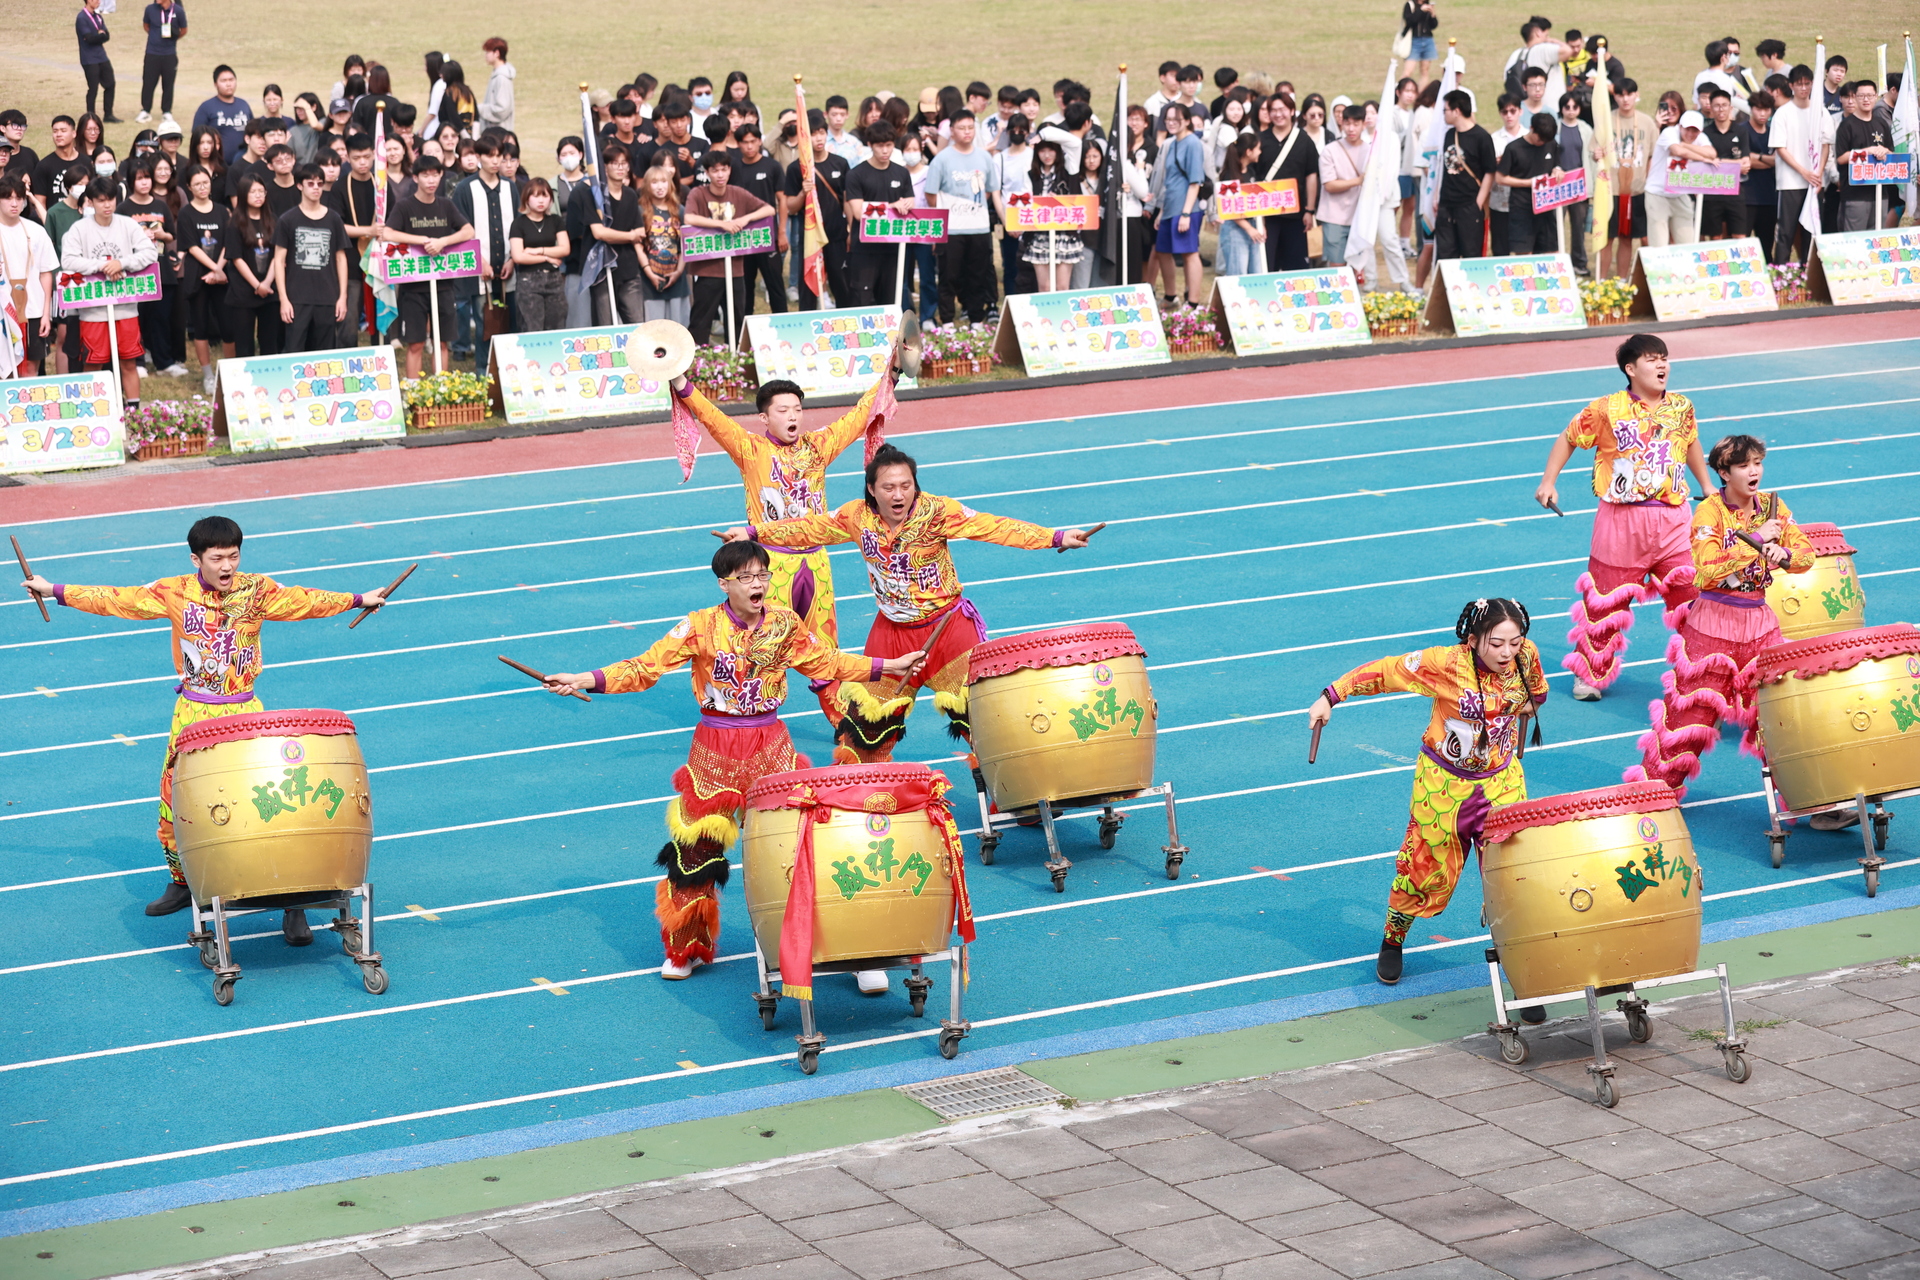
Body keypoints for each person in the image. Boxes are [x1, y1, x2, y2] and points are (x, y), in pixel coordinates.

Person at [539, 541, 923, 980]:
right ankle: (686, 946)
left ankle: (851, 952)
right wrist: (585, 678)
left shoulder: (785, 624)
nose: (758, 584)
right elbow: (645, 667)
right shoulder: (699, 626)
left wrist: (887, 666)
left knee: (805, 846)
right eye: (747, 577)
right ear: (725, 584)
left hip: (771, 745)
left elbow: (829, 661)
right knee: (695, 851)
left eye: (763, 575)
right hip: (714, 749)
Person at [20, 516, 392, 937]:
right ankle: (184, 883)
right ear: (197, 558)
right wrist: (54, 590)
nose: (227, 566)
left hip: (244, 712)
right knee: (174, 804)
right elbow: (119, 599)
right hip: (194, 714)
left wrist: (359, 599)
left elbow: (306, 600)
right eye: (218, 558)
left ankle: (293, 901)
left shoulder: (257, 590)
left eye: (234, 556)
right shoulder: (174, 591)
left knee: (268, 808)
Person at [721, 444, 1095, 768]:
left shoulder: (937, 511)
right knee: (866, 729)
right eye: (889, 487)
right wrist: (753, 533)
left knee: (983, 720)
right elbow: (808, 528)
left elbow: (993, 526)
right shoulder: (856, 517)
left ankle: (1018, 797)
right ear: (872, 489)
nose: (898, 495)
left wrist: (1056, 536)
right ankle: (866, 796)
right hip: (891, 634)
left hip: (948, 630)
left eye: (906, 486)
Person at [1307, 598, 1550, 987]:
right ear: (1472, 640)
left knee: (1513, 878)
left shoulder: (1526, 656)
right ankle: (1393, 939)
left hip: (1502, 785)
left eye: (1515, 643)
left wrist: (1526, 707)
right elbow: (1388, 671)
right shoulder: (1444, 663)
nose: (1507, 653)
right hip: (1443, 788)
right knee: (1420, 872)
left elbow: (1536, 691)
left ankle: (1524, 975)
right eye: (1496, 643)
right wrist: (1331, 696)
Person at [669, 357, 904, 712]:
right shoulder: (750, 449)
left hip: (816, 565)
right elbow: (712, 418)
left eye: (797, 409)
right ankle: (751, 720)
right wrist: (679, 380)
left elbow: (860, 414)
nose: (793, 416)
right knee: (764, 646)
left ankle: (842, 722)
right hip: (772, 567)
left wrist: (893, 373)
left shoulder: (818, 447)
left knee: (825, 651)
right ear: (764, 418)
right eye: (783, 410)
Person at [1624, 435, 1812, 797]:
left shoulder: (1774, 506)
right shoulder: (1709, 511)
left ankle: (1814, 799)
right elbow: (1706, 570)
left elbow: (1805, 553)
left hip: (1760, 624)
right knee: (1686, 721)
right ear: (1724, 473)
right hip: (1712, 626)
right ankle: (1650, 797)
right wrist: (1757, 540)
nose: (1753, 471)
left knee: (1783, 717)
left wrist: (1782, 554)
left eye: (1757, 462)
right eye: (1743, 465)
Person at [1539, 333, 1714, 702]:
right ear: (1630, 369)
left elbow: (1691, 442)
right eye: (1652, 359)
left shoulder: (1682, 407)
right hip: (1621, 521)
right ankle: (1588, 674)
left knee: (1694, 600)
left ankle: (1701, 673)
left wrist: (1707, 485)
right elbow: (1569, 437)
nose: (1662, 365)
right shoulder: (1606, 408)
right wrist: (1548, 481)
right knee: (1605, 602)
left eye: (1664, 358)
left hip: (1673, 520)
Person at [59, 176, 155, 407]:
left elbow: (150, 253)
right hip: (93, 310)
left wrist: (122, 263)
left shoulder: (127, 224)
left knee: (129, 362)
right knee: (93, 362)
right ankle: (94, 410)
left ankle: (133, 411)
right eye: (101, 200)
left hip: (126, 307)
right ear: (91, 202)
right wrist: (101, 266)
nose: (107, 205)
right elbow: (68, 260)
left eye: (110, 199)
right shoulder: (79, 229)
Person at [379, 154, 471, 377]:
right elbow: (388, 233)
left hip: (444, 284)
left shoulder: (446, 205)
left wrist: (443, 242)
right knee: (416, 343)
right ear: (416, 178)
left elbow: (468, 230)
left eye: (435, 175)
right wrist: (422, 241)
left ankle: (442, 390)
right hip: (413, 286)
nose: (431, 180)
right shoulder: (405, 206)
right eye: (425, 175)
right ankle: (414, 393)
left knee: (441, 342)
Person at [684, 151, 768, 345]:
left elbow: (768, 209)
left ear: (729, 170)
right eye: (715, 171)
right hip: (708, 269)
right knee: (701, 319)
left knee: (737, 316)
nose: (720, 175)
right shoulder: (698, 193)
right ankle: (698, 362)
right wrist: (722, 224)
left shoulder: (738, 193)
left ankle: (737, 359)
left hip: (736, 269)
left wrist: (745, 218)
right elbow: (689, 218)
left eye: (724, 170)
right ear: (707, 173)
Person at [922, 109, 998, 323]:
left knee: (978, 275)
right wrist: (950, 210)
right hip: (952, 228)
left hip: (979, 227)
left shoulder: (984, 157)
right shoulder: (942, 159)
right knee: (949, 276)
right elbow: (930, 194)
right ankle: (947, 320)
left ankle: (976, 319)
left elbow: (990, 189)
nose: (967, 132)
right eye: (961, 128)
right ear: (952, 131)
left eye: (970, 128)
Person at [271, 163, 348, 353]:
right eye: (311, 184)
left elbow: (341, 258)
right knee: (294, 349)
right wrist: (283, 299)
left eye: (320, 184)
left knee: (325, 353)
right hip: (297, 297)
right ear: (300, 186)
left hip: (327, 296)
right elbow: (279, 261)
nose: (316, 188)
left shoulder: (334, 219)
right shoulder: (287, 219)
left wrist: (342, 297)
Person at [119, 158, 184, 374]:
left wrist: (161, 234)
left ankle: (164, 362)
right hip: (135, 272)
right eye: (139, 179)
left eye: (147, 177)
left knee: (161, 318)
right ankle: (138, 361)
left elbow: (171, 235)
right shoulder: (124, 208)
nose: (145, 183)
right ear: (131, 181)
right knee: (136, 318)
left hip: (161, 270)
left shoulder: (160, 205)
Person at [842, 121, 912, 305]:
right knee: (862, 299)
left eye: (889, 145)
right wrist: (892, 207)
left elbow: (910, 200)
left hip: (892, 247)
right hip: (865, 248)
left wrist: (905, 204)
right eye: (880, 146)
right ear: (870, 145)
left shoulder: (901, 173)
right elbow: (858, 211)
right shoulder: (856, 175)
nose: (885, 151)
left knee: (890, 300)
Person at [1768, 66, 1829, 264]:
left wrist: (1817, 173)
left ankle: (1809, 273)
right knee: (1786, 230)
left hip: (1814, 182)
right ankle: (1782, 277)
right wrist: (1804, 172)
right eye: (1799, 84)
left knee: (1810, 231)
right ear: (1791, 85)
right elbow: (1780, 148)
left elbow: (1826, 145)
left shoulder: (1820, 111)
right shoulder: (1783, 113)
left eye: (1807, 84)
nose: (1803, 88)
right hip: (1790, 183)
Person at [0, 177, 58, 376]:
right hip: (3, 313)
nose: (14, 203)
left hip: (33, 310)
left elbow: (46, 272)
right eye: (8, 198)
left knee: (31, 367)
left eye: (19, 198)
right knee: (4, 368)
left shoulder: (36, 231)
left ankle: (26, 405)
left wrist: (46, 313)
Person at [176, 164, 227, 390]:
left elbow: (228, 241)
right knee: (201, 326)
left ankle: (230, 371)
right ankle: (207, 375)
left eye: (205, 182)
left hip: (223, 275)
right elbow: (191, 246)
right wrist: (214, 269)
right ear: (189, 187)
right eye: (197, 184)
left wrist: (219, 269)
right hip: (198, 277)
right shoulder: (186, 213)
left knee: (228, 328)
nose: (202, 187)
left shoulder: (222, 211)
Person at [728, 126, 787, 317]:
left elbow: (782, 200)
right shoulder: (734, 169)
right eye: (744, 142)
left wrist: (782, 232)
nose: (749, 146)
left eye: (753, 141)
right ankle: (745, 330)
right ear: (738, 145)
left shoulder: (772, 166)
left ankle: (783, 323)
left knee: (775, 284)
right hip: (742, 236)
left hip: (767, 235)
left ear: (760, 141)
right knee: (745, 286)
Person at [1600, 79, 1656, 279]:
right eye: (1620, 95)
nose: (1625, 99)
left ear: (1636, 95)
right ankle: (1602, 281)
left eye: (1629, 94)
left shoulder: (1646, 122)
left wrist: (1648, 181)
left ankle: (1623, 279)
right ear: (1614, 96)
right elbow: (1594, 150)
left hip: (1636, 190)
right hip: (1610, 190)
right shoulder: (1606, 120)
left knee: (1627, 238)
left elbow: (1652, 156)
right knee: (1606, 238)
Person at [1257, 93, 1319, 272]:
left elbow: (1311, 176)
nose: (1278, 114)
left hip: (1296, 215)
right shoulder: (1260, 140)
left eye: (1282, 109)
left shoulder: (1304, 141)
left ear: (1292, 111)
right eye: (1273, 110)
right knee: (1267, 264)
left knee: (1296, 265)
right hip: (1267, 216)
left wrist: (1309, 210)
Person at [1433, 89, 1494, 260]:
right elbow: (1443, 167)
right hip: (1447, 205)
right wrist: (1438, 196)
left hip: (1469, 205)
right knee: (1445, 256)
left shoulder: (1481, 137)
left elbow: (1490, 172)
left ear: (1456, 111)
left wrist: (1478, 203)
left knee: (1470, 254)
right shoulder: (1449, 134)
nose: (1444, 114)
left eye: (1446, 110)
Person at [223, 173, 279, 357]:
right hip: (243, 291)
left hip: (270, 290)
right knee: (244, 343)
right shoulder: (235, 223)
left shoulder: (273, 220)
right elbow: (236, 258)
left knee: (270, 342)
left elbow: (278, 255)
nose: (258, 195)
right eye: (253, 192)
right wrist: (256, 285)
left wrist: (267, 282)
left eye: (261, 191)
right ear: (243, 195)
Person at [1646, 110, 1716, 247]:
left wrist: (1686, 145)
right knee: (1659, 243)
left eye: (1694, 131)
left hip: (1680, 193)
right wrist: (1702, 158)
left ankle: (1683, 269)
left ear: (1700, 131)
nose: (1690, 134)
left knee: (1687, 242)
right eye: (1687, 129)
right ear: (1680, 126)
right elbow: (1677, 151)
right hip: (1657, 192)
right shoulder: (1669, 133)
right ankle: (1661, 269)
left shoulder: (1700, 138)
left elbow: (1712, 153)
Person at [506, 177, 567, 332]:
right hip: (528, 281)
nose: (541, 201)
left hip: (554, 279)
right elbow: (519, 256)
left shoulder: (555, 221)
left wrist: (537, 250)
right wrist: (547, 257)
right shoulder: (519, 223)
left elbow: (565, 249)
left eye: (545, 196)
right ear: (527, 198)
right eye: (536, 196)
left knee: (556, 326)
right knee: (531, 327)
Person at [1497, 110, 1562, 255]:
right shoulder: (1514, 148)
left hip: (1546, 208)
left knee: (1551, 253)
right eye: (1539, 140)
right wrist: (1529, 183)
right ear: (1532, 128)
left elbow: (1557, 164)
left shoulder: (1551, 144)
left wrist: (1558, 170)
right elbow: (1500, 178)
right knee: (1524, 255)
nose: (1542, 144)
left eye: (1545, 141)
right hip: (1522, 209)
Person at [1833, 79, 1894, 231]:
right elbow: (1840, 158)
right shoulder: (1847, 125)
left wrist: (1884, 152)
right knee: (1855, 242)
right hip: (1855, 196)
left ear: (1875, 97)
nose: (1866, 99)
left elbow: (1891, 152)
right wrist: (1867, 151)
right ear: (1855, 98)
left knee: (1876, 241)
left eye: (1870, 95)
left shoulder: (1881, 123)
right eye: (1861, 96)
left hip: (1880, 192)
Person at [1317, 104, 1372, 271]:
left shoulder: (1370, 151)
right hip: (1334, 216)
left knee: (1358, 265)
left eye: (1356, 124)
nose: (1351, 129)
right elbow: (1329, 185)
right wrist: (1358, 181)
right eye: (1347, 124)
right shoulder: (1330, 150)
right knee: (1337, 265)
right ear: (1341, 124)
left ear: (1364, 124)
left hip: (1360, 217)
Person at [633, 161, 689, 325]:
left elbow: (686, 244)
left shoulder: (679, 210)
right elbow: (638, 245)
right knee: (653, 328)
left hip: (677, 278)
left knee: (678, 328)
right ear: (647, 185)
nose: (659, 186)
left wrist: (679, 271)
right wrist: (649, 272)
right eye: (654, 182)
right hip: (649, 280)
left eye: (663, 181)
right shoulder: (640, 210)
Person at [1699, 87, 1752, 239]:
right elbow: (1705, 163)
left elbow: (1746, 164)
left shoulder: (1741, 131)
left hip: (1735, 192)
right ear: (1711, 108)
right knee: (1715, 237)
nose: (1720, 109)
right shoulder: (1705, 134)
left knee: (1739, 235)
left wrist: (1718, 162)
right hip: (1712, 192)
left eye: (1724, 105)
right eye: (1717, 105)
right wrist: (1733, 164)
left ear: (1730, 107)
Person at [136, 0, 185, 126]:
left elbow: (183, 29)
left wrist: (172, 40)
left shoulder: (178, 11)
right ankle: (145, 110)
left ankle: (167, 111)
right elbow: (146, 26)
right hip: (152, 53)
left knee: (168, 84)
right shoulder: (150, 9)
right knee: (148, 83)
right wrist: (154, 36)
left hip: (169, 54)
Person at [192, 65, 251, 163]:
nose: (228, 84)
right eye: (224, 81)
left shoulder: (243, 105)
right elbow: (197, 136)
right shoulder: (206, 107)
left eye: (231, 80)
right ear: (216, 84)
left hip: (243, 164)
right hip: (217, 164)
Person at [77, 0, 120, 124]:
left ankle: (108, 114)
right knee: (93, 88)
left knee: (110, 84)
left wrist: (100, 35)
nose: (98, 1)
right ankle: (91, 115)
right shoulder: (82, 18)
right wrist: (100, 35)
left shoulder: (98, 17)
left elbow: (107, 35)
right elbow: (89, 38)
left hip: (101, 56)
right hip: (89, 59)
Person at [478, 37, 515, 134]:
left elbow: (502, 109)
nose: (485, 55)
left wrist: (479, 109)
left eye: (488, 52)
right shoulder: (497, 75)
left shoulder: (501, 78)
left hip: (498, 134)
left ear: (497, 53)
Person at [1403, 0, 1439, 82]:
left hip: (1428, 40)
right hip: (1414, 40)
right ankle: (1400, 92)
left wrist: (1432, 14)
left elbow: (1433, 25)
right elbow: (1409, 21)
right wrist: (1420, 11)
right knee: (1408, 71)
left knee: (1425, 71)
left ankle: (1422, 93)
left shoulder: (1428, 4)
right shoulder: (1410, 5)